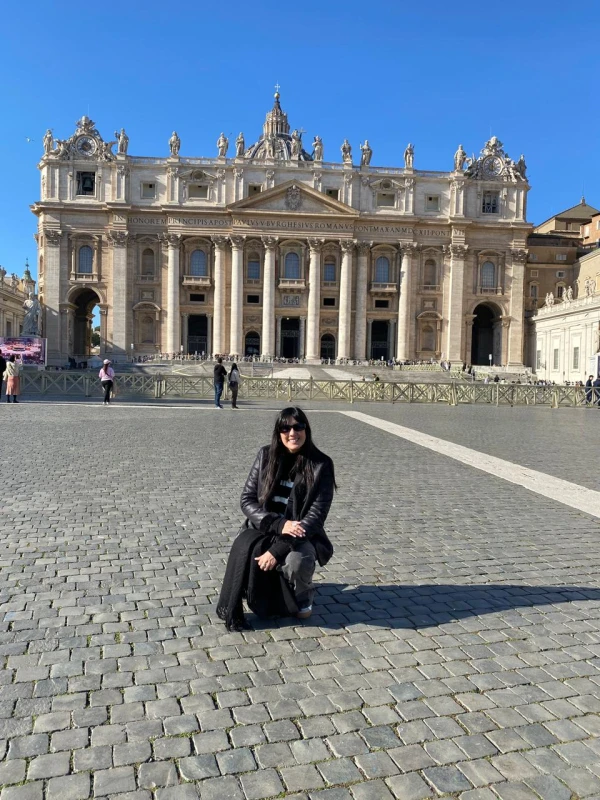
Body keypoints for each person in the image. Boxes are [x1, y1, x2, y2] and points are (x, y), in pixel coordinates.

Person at [217, 407, 336, 631]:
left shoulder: (322, 464)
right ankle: (256, 590)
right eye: (285, 427)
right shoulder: (265, 455)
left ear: (306, 430)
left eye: (298, 426)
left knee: (296, 562)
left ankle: (302, 594)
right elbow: (247, 500)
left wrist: (277, 551)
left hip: (301, 534)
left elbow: (316, 517)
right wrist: (278, 524)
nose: (292, 433)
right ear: (278, 432)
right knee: (245, 549)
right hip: (265, 527)